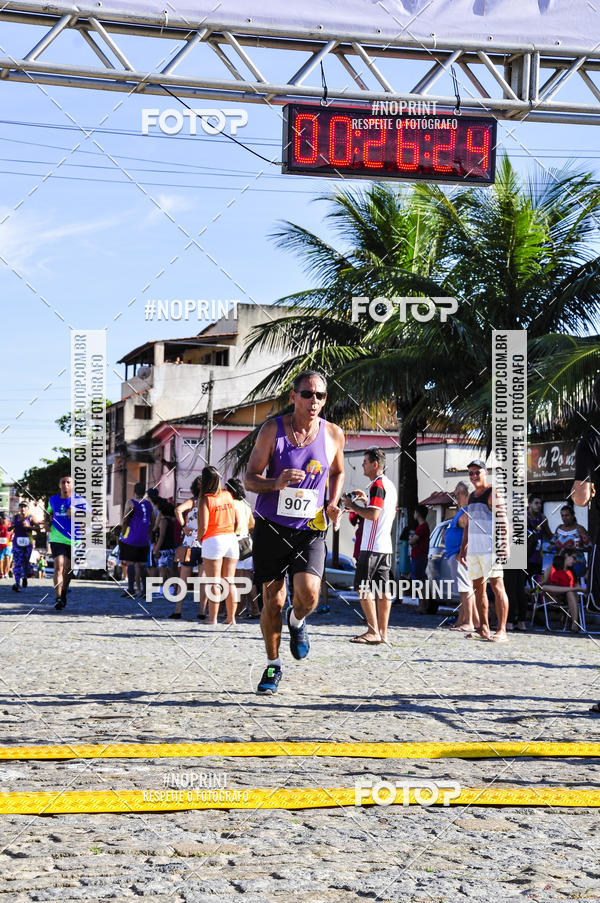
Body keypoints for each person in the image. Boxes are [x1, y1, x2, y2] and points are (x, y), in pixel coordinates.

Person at [245, 369, 344, 695]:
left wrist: (333, 502)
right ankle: (273, 666)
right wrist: (276, 482)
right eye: (307, 394)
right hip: (272, 527)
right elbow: (249, 479)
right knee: (272, 602)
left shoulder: (333, 434)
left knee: (309, 595)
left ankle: (298, 622)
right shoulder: (272, 431)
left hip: (310, 528)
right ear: (293, 396)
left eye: (320, 396)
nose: (314, 401)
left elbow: (338, 471)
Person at [343, 447, 397, 645]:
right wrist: (365, 502)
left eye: (365, 461)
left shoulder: (378, 485)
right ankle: (382, 633)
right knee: (383, 591)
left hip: (371, 545)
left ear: (375, 465)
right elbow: (382, 513)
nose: (363, 465)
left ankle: (372, 630)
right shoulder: (389, 485)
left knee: (363, 588)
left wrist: (352, 506)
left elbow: (373, 515)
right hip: (384, 545)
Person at [458, 460, 510, 642]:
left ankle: (502, 630)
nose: (473, 476)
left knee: (497, 587)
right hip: (474, 550)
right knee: (478, 590)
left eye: (477, 472)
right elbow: (467, 524)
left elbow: (503, 519)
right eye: (470, 473)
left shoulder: (493, 493)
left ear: (485, 473)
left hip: (490, 549)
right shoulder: (471, 497)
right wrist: (463, 548)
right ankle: (483, 628)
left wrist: (505, 544)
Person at [197, 466, 239, 625]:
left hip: (213, 538)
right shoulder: (228, 495)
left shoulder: (206, 499)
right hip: (231, 538)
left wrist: (201, 539)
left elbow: (203, 525)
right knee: (229, 581)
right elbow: (236, 521)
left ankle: (212, 618)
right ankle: (231, 618)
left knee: (213, 581)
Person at [444, 481, 479, 632]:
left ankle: (469, 622)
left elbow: (472, 533)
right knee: (463, 590)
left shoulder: (466, 511)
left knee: (466, 589)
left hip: (460, 556)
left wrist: (462, 552)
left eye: (456, 491)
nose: (454, 494)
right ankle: (464, 620)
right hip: (456, 554)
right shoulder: (463, 511)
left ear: (463, 493)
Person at [226, 477, 259, 619]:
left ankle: (237, 611)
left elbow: (233, 522)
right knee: (247, 580)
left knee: (236, 579)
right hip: (247, 542)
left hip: (235, 540)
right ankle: (255, 609)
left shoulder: (230, 504)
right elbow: (252, 524)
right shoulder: (246, 504)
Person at [172, 477, 205, 619]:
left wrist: (184, 526)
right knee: (203, 579)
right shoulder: (209, 502)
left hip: (190, 543)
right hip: (205, 543)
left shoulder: (192, 501)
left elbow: (178, 510)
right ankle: (202, 612)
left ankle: (178, 610)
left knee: (183, 578)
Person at [119, 482, 154, 599]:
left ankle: (131, 589)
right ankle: (144, 591)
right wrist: (148, 533)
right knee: (142, 565)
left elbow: (125, 520)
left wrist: (123, 533)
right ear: (144, 492)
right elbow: (152, 521)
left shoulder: (130, 503)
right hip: (144, 538)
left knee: (131, 563)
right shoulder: (149, 504)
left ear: (134, 491)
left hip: (132, 537)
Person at [46, 475, 75, 610]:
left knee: (68, 570)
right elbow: (48, 515)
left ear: (72, 485)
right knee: (59, 566)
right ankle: (58, 598)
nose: (65, 484)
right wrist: (47, 523)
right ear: (59, 485)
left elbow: (90, 516)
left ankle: (64, 593)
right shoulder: (52, 500)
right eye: (63, 482)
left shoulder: (78, 500)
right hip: (57, 538)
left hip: (73, 539)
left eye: (68, 482)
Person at [542, 552, 584, 632]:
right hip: (553, 596)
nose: (575, 561)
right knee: (546, 587)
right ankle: (573, 623)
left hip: (566, 598)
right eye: (573, 558)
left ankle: (574, 624)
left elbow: (578, 587)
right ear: (566, 556)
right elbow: (544, 584)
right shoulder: (551, 568)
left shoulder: (572, 572)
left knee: (570, 593)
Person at [550, 504, 590, 581]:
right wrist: (552, 547)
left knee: (573, 584)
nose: (564, 518)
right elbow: (552, 543)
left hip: (576, 563)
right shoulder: (559, 528)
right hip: (559, 564)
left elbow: (589, 547)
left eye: (567, 515)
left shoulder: (580, 529)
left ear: (572, 515)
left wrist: (575, 548)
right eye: (562, 516)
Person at [11, 501, 38, 592]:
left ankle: (25, 576)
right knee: (17, 562)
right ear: (19, 508)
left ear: (27, 508)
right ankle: (17, 583)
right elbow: (11, 527)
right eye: (21, 507)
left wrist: (29, 527)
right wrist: (10, 528)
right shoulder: (15, 517)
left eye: (25, 507)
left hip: (28, 544)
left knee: (25, 563)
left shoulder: (31, 517)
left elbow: (39, 529)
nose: (23, 509)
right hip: (17, 543)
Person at [409, 504, 431, 613]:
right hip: (418, 556)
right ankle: (422, 605)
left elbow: (413, 541)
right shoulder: (423, 527)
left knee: (419, 582)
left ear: (418, 513)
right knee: (419, 581)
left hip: (419, 557)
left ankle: (422, 606)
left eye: (414, 512)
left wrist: (411, 541)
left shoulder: (422, 526)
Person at [153, 497, 177, 594]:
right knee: (171, 570)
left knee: (163, 569)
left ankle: (162, 590)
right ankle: (173, 589)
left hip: (164, 549)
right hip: (171, 547)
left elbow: (161, 536)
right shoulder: (171, 520)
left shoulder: (163, 521)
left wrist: (156, 549)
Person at [526, 494, 552, 583]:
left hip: (538, 556)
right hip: (525, 555)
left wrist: (558, 539)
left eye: (540, 503)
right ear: (529, 504)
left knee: (538, 583)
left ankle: (537, 597)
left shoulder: (543, 518)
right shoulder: (523, 517)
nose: (539, 505)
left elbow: (549, 535)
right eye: (536, 503)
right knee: (522, 583)